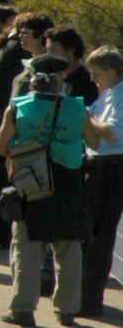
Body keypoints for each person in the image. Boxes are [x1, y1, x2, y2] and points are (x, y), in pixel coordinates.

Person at [0, 53, 113, 327]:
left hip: (32, 184)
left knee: (26, 249)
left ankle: (23, 310)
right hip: (69, 185)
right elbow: (94, 140)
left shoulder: (16, 107)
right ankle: (67, 310)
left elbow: (1, 147)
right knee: (69, 250)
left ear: (32, 79)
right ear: (60, 81)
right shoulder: (77, 108)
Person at [80, 45, 123, 319]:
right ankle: (85, 296)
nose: (93, 79)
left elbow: (112, 133)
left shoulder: (120, 95)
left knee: (100, 235)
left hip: (112, 168)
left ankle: (90, 299)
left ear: (112, 71)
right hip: (98, 164)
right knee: (89, 234)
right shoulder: (106, 92)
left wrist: (86, 118)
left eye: (97, 73)